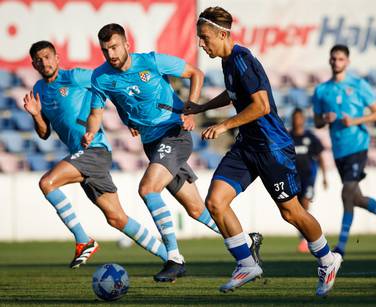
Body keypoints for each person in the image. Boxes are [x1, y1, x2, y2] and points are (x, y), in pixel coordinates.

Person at [82, 23, 262, 283]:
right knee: (196, 209)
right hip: (152, 143)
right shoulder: (100, 77)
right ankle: (247, 242)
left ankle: (174, 258)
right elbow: (98, 111)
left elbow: (195, 73)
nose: (110, 54)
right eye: (105, 50)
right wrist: (93, 131)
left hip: (174, 134)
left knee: (147, 189)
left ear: (126, 44)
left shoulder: (152, 61)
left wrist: (190, 107)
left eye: (114, 47)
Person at [185, 7, 342, 297]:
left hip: (272, 148)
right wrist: (203, 107)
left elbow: (261, 106)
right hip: (248, 146)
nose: (201, 44)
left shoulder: (242, 60)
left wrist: (223, 126)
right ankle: (246, 263)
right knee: (216, 202)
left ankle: (327, 259)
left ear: (222, 34)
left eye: (204, 38)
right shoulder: (227, 62)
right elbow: (234, 93)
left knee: (291, 212)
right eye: (199, 38)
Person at [25, 40, 169, 269]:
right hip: (82, 155)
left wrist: (129, 115)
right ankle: (171, 258)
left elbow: (108, 83)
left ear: (57, 58)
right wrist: (35, 115)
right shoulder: (39, 91)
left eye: (48, 56)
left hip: (94, 151)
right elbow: (44, 134)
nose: (44, 62)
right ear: (33, 64)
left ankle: (83, 240)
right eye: (39, 60)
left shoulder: (75, 77)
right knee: (117, 218)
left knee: (47, 182)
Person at [312, 44, 376, 258]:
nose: (337, 62)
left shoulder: (358, 84)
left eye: (341, 59)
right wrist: (324, 119)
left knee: (346, 193)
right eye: (333, 59)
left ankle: (341, 247)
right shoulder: (321, 90)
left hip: (358, 145)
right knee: (356, 198)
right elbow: (317, 122)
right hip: (339, 150)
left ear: (348, 62)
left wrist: (355, 120)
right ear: (329, 61)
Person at [289, 108, 328, 253]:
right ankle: (304, 236)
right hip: (293, 177)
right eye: (295, 117)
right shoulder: (288, 136)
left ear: (303, 119)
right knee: (296, 208)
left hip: (308, 177)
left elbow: (320, 156)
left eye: (300, 117)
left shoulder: (310, 137)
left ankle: (308, 238)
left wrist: (324, 177)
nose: (297, 120)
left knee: (305, 203)